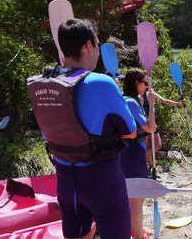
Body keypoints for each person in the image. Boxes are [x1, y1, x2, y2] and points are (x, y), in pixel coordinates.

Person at [27, 19, 136, 239]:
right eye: (96, 45)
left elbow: (48, 134)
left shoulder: (45, 84)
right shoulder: (101, 82)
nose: (97, 52)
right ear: (88, 46)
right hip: (102, 180)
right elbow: (130, 131)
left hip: (67, 181)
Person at [121, 68, 156, 239]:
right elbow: (150, 128)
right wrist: (152, 105)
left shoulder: (127, 100)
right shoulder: (132, 102)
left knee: (133, 197)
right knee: (137, 197)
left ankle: (137, 229)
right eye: (144, 83)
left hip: (128, 153)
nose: (147, 87)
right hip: (133, 155)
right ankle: (138, 236)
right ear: (137, 84)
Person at [140, 83, 186, 167]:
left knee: (157, 145)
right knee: (149, 147)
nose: (148, 85)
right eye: (146, 83)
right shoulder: (139, 96)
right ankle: (150, 166)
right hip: (144, 125)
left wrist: (177, 103)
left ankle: (143, 160)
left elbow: (165, 101)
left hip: (152, 123)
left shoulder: (151, 94)